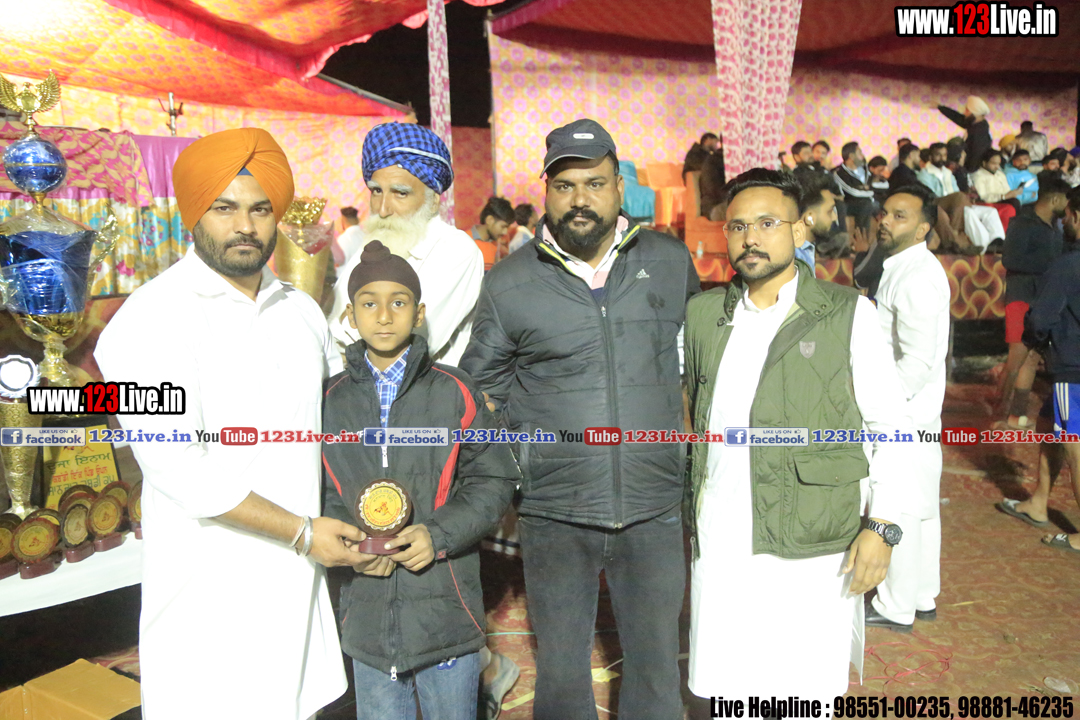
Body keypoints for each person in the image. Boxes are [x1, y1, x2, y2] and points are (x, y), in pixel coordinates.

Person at [95, 128, 367, 719]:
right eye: (224, 208)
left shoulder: (300, 311)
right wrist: (302, 532)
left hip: (297, 585)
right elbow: (179, 469)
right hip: (209, 591)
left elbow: (345, 414)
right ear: (194, 214)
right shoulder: (148, 321)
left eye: (260, 209)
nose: (245, 225)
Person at [461, 118, 699, 720]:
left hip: (653, 504)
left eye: (594, 184)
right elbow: (480, 395)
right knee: (563, 674)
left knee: (656, 670)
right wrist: (519, 471)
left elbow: (701, 367)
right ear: (546, 192)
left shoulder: (670, 262)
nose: (580, 200)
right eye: (565, 186)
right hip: (555, 513)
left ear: (619, 187)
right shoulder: (509, 283)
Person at [684, 168, 909, 698]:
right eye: (738, 226)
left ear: (800, 229)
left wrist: (883, 527)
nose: (751, 238)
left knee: (803, 691)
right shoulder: (702, 315)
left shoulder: (847, 314)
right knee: (732, 688)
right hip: (724, 535)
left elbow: (893, 430)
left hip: (814, 541)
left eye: (767, 223)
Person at [322, 241, 519, 720]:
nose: (384, 316)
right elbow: (325, 492)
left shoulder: (456, 390)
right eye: (369, 303)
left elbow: (494, 477)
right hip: (367, 613)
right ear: (350, 316)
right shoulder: (330, 401)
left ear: (419, 313)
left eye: (398, 302)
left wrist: (438, 534)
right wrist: (350, 544)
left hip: (445, 609)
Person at [327, 123, 484, 372]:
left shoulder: (456, 250)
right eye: (376, 191)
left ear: (433, 200)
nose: (382, 209)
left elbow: (401, 346)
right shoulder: (375, 244)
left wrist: (344, 331)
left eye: (400, 193)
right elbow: (329, 323)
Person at [864, 184, 951, 633]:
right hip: (918, 412)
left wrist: (885, 409)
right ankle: (921, 595)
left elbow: (916, 361)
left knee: (900, 506)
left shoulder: (915, 275)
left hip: (905, 414)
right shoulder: (906, 267)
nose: (885, 221)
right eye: (885, 212)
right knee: (922, 508)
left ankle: (895, 605)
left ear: (922, 229)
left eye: (900, 216)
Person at [997, 186, 1080, 553]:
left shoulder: (1068, 263)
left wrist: (1033, 343)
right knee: (1048, 423)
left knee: (1074, 444)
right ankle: (1039, 501)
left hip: (1073, 367)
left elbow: (1042, 316)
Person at [998, 178, 1071, 428]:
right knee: (1016, 360)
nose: (1068, 206)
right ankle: (1001, 414)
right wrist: (1053, 268)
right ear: (1054, 199)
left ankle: (1015, 414)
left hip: (1040, 300)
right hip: (1021, 297)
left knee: (1030, 359)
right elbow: (1010, 259)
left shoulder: (1056, 227)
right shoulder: (1022, 223)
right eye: (1066, 200)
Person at [919, 142, 1003, 252]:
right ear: (930, 157)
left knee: (990, 212)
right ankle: (959, 239)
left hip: (956, 203)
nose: (942, 158)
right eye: (938, 155)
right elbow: (931, 195)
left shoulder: (948, 173)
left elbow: (956, 191)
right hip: (937, 202)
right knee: (960, 199)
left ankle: (997, 242)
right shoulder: (924, 174)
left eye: (944, 155)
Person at [797, 170, 845, 264]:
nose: (835, 217)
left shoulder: (805, 252)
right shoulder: (795, 261)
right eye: (830, 212)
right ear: (809, 218)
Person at [970, 149, 1022, 231]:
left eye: (998, 164)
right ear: (984, 163)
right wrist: (1003, 196)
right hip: (990, 202)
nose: (997, 166)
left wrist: (1011, 194)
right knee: (1014, 203)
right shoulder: (978, 176)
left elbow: (1007, 190)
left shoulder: (1000, 174)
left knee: (1015, 201)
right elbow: (983, 197)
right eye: (993, 163)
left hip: (1003, 199)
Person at [938, 95, 992, 173]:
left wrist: (965, 172)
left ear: (975, 113)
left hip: (971, 171)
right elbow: (959, 118)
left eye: (967, 111)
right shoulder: (975, 124)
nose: (964, 113)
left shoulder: (979, 133)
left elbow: (975, 157)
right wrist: (940, 107)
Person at [833, 141, 877, 233]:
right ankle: (860, 236)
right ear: (852, 156)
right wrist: (871, 192)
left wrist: (868, 190)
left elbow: (881, 185)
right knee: (866, 204)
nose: (863, 155)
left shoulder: (866, 170)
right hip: (849, 203)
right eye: (859, 152)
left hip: (869, 200)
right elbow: (853, 192)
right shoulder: (840, 173)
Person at [472, 196, 515, 270]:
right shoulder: (466, 240)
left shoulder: (495, 244)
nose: (505, 232)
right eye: (503, 226)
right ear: (490, 220)